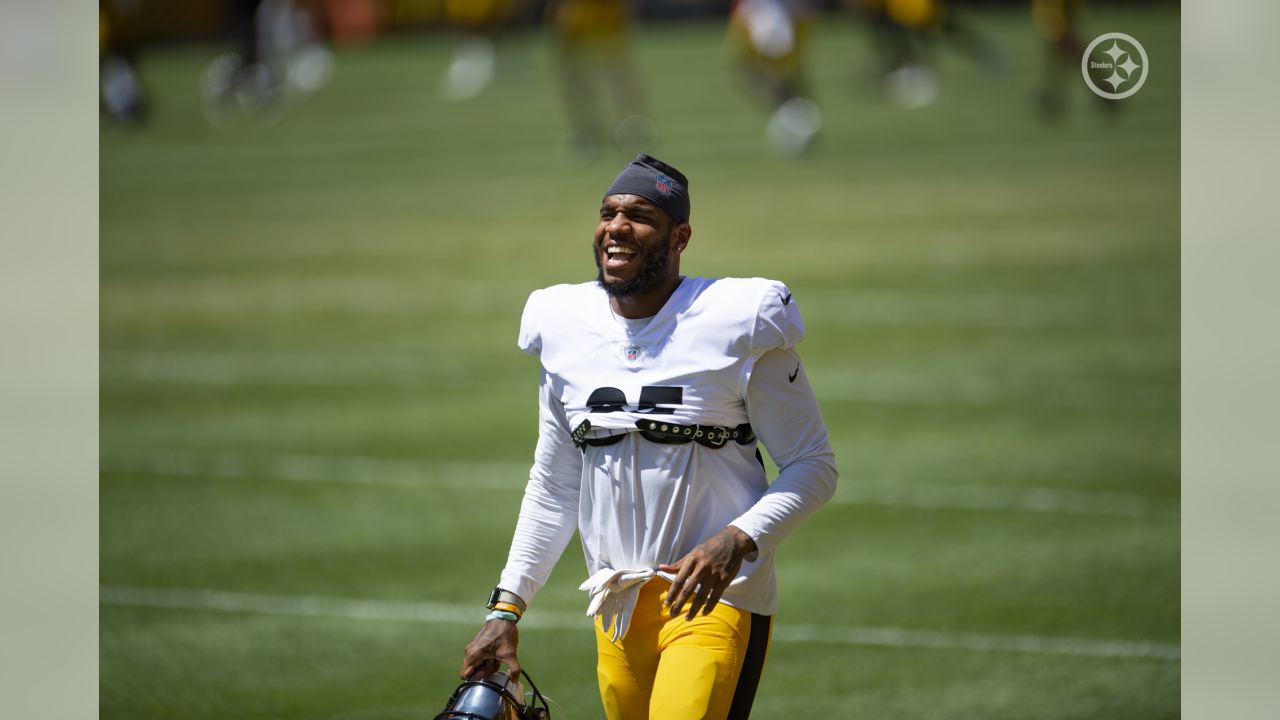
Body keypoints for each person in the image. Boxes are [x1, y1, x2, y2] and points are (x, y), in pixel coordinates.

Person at [459, 154, 838, 720]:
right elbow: (555, 486)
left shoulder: (739, 319)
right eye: (609, 212)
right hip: (617, 607)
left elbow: (813, 465)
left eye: (639, 215)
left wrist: (737, 538)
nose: (616, 226)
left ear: (680, 236)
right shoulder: (563, 323)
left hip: (716, 600)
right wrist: (506, 609)